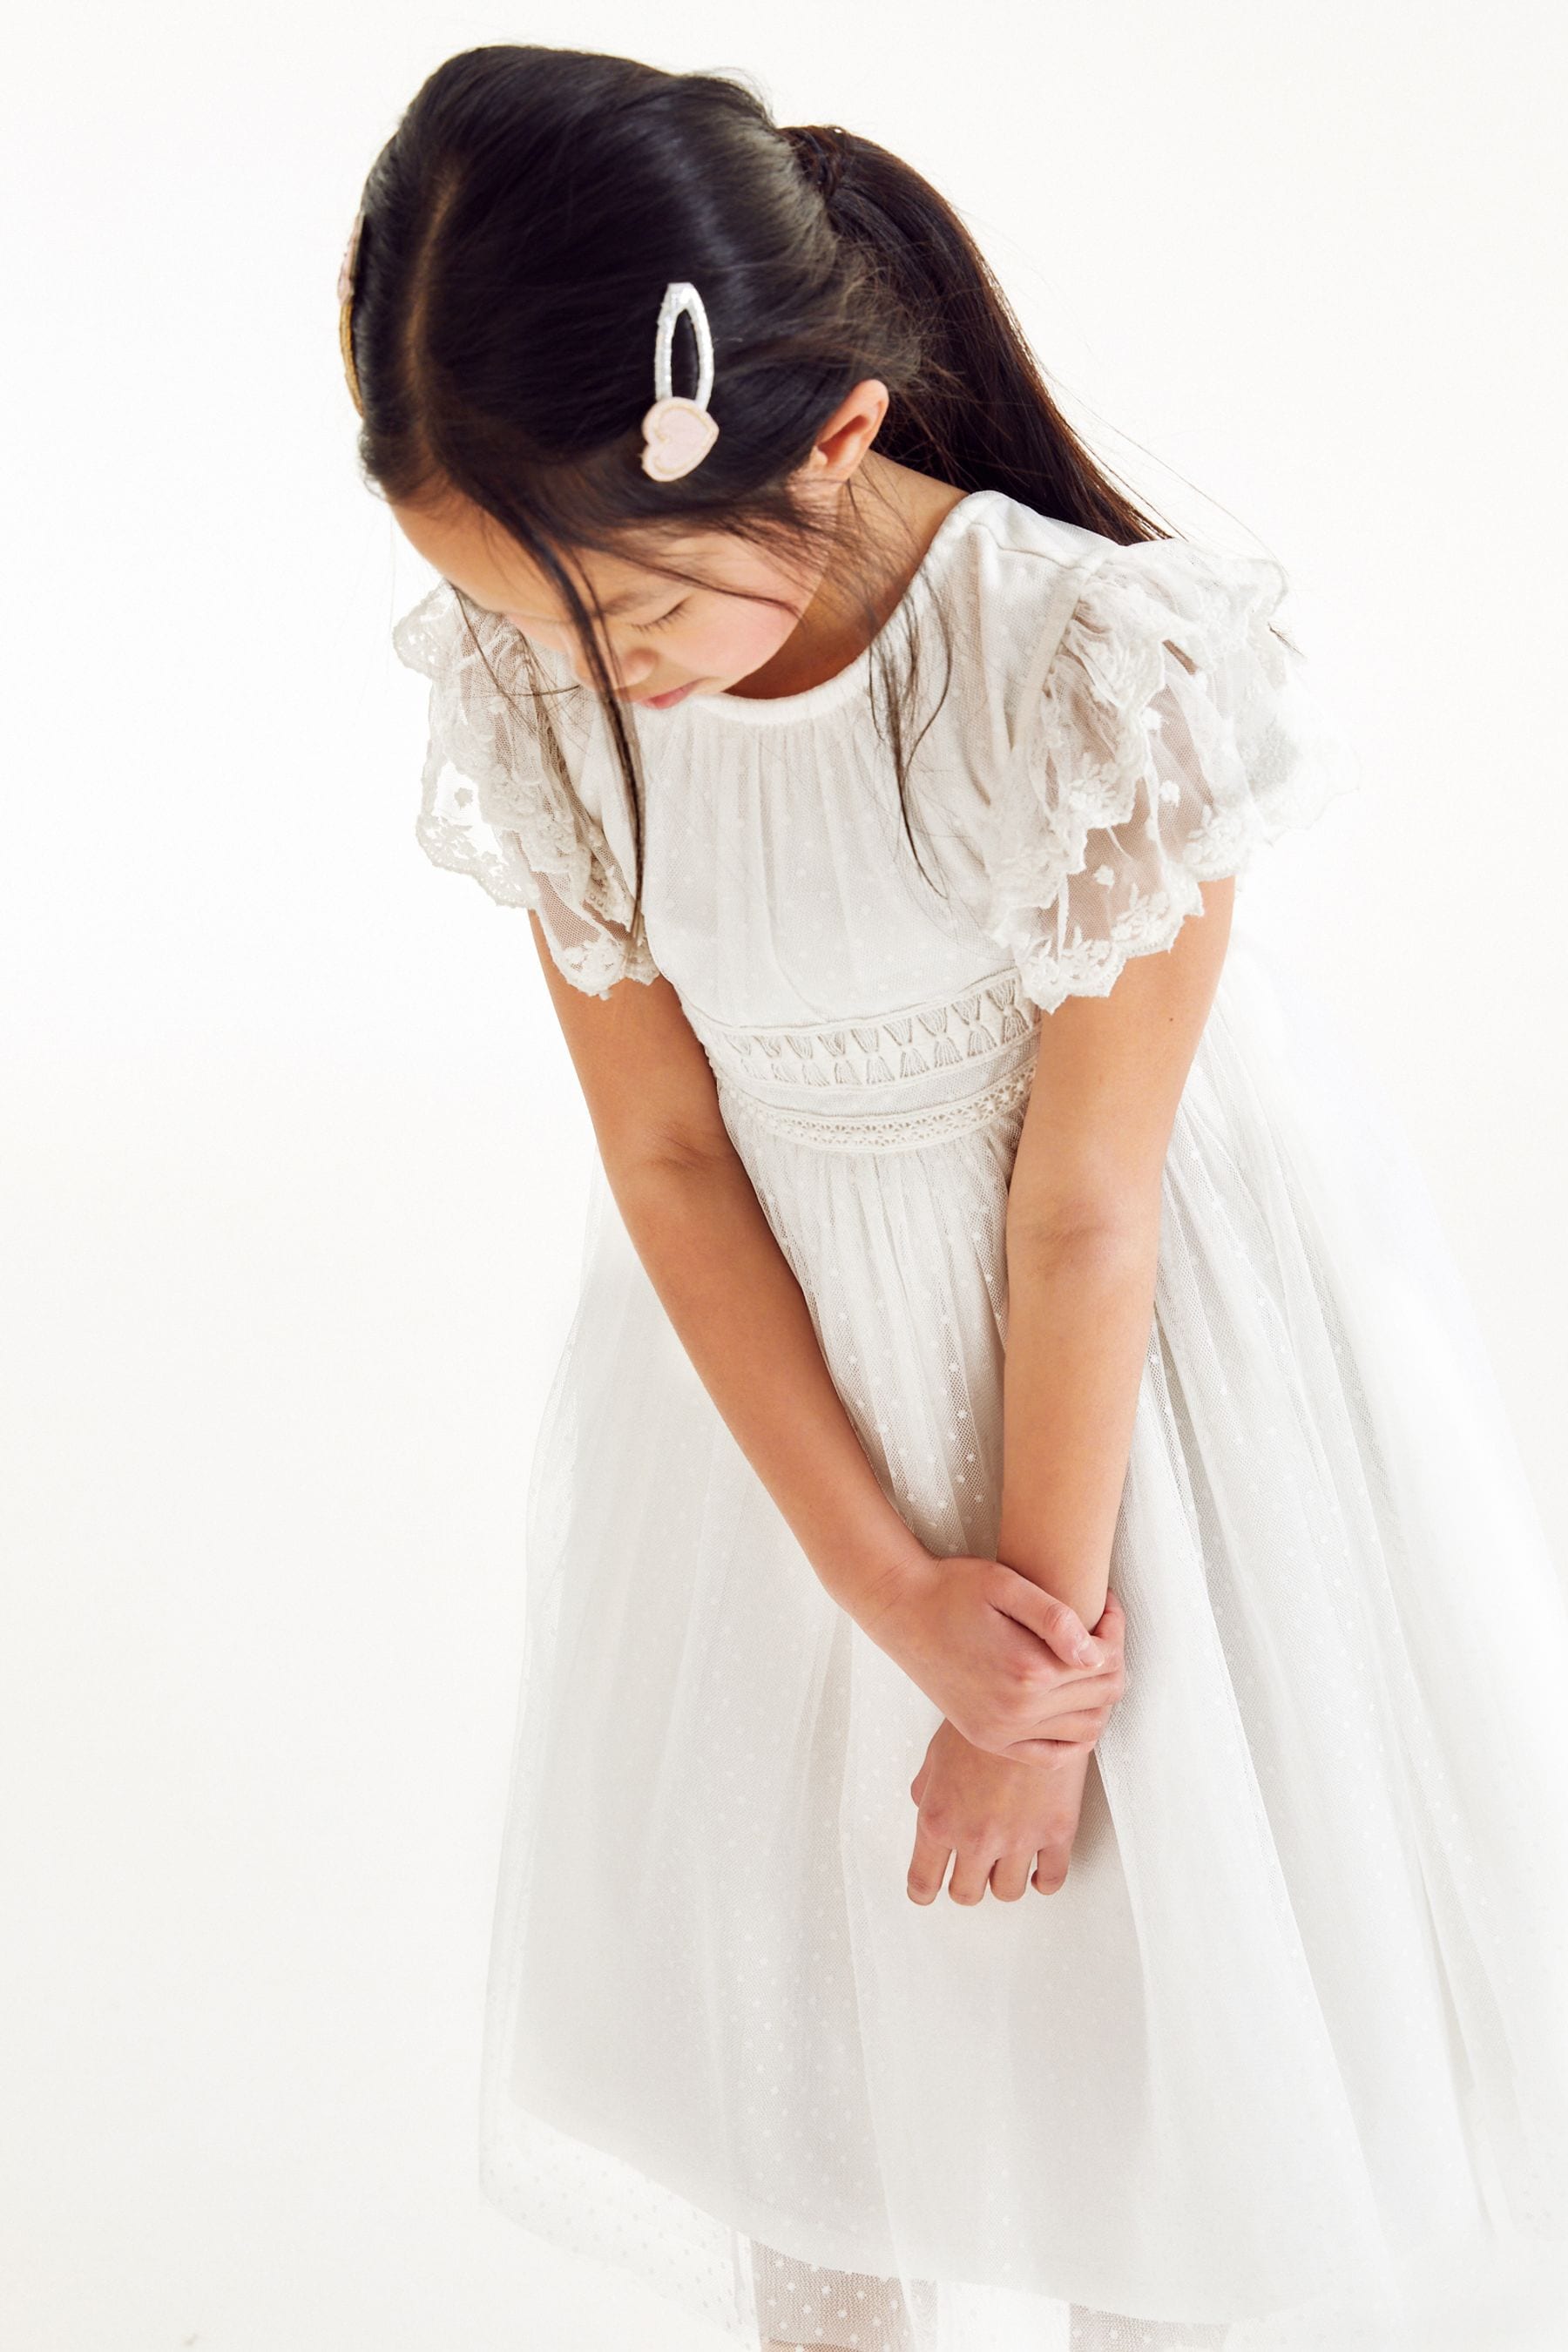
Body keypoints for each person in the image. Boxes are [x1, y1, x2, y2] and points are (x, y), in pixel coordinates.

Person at [336, 43, 1568, 2352]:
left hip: (1117, 1410)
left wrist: (1018, 1671)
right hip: (787, 1398)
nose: (577, 679)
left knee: (1138, 2004)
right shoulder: (558, 699)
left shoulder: (1093, 670)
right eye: (517, 620)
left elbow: (1088, 1208)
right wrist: (879, 1575)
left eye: (611, 617)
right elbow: (670, 1145)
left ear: (831, 440)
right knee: (796, 1997)